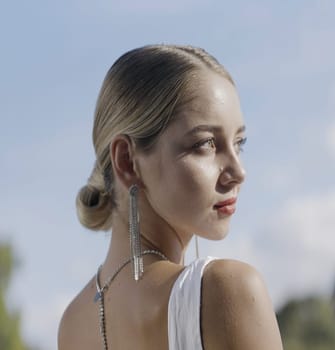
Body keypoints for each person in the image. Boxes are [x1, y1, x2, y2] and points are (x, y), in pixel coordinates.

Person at [58, 44, 284, 350]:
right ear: (126, 160)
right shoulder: (228, 291)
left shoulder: (73, 323)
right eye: (206, 144)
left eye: (239, 143)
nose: (238, 171)